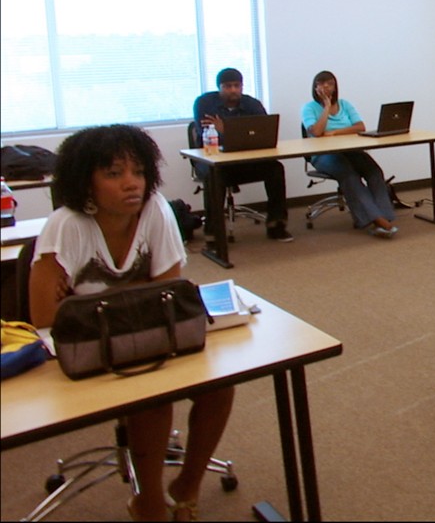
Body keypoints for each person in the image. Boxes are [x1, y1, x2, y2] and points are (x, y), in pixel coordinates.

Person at [28, 125, 234, 522]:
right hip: (86, 350)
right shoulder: (66, 226)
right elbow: (44, 318)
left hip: (152, 335)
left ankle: (187, 484)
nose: (131, 184)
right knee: (153, 400)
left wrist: (86, 301)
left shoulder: (155, 209)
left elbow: (170, 292)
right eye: (113, 173)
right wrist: (142, 289)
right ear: (85, 183)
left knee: (219, 386)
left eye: (138, 172)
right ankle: (150, 501)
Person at [193, 67, 293, 241]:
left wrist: (225, 130)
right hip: (212, 160)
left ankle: (276, 224)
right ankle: (213, 233)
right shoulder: (205, 104)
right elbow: (208, 133)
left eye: (237, 85)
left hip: (244, 160)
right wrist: (226, 133)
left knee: (275, 168)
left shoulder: (252, 104)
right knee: (214, 175)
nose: (233, 90)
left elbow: (263, 132)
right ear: (219, 87)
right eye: (228, 86)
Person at [301, 70, 398, 238]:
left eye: (330, 83)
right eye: (321, 83)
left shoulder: (345, 104)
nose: (326, 86)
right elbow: (316, 132)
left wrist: (335, 132)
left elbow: (360, 127)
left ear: (335, 86)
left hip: (350, 150)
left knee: (374, 171)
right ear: (315, 87)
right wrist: (326, 107)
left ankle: (385, 215)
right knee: (349, 175)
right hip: (323, 154)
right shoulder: (309, 108)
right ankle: (376, 220)